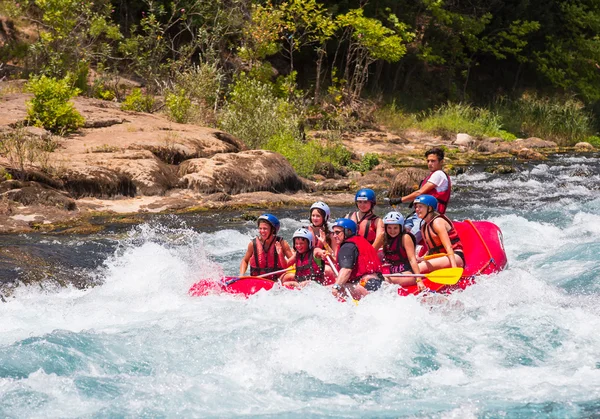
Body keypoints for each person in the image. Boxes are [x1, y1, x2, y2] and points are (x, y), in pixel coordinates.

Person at [387, 147, 451, 241]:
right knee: (401, 230)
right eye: (428, 161)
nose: (430, 164)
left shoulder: (439, 175)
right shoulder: (432, 175)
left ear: (441, 162)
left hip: (429, 215)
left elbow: (419, 192)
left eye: (433, 161)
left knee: (409, 239)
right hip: (419, 214)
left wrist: (399, 200)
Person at [330, 218, 383, 300]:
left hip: (364, 284)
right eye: (333, 233)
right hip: (377, 282)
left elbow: (346, 270)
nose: (334, 236)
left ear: (348, 232)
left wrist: (336, 287)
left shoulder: (347, 247)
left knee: (331, 290)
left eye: (337, 232)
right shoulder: (361, 241)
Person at [413, 195, 464, 274]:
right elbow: (431, 250)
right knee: (412, 265)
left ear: (429, 208)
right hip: (439, 257)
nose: (417, 209)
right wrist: (421, 259)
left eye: (420, 207)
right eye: (416, 207)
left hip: (454, 256)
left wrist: (454, 268)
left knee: (417, 268)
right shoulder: (424, 227)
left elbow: (448, 247)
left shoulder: (437, 222)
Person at [239, 213, 293, 280]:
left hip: (278, 280)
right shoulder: (253, 244)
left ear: (273, 230)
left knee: (291, 277)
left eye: (265, 229)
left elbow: (292, 261)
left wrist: (281, 254)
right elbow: (245, 260)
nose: (262, 231)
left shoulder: (282, 243)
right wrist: (241, 275)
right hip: (258, 279)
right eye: (260, 228)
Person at [307, 201, 336, 284]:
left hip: (324, 264)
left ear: (325, 217)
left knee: (327, 270)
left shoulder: (330, 235)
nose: (315, 218)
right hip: (307, 263)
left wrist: (324, 243)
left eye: (318, 216)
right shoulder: (304, 231)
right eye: (313, 215)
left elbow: (334, 256)